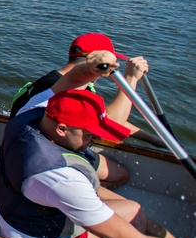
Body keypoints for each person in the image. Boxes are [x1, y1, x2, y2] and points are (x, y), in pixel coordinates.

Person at [0, 90, 196, 238]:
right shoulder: (61, 177)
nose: (95, 139)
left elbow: (73, 74)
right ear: (62, 129)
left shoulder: (29, 113)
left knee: (133, 210)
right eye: (90, 133)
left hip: (31, 216)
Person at [10, 33, 162, 186]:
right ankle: (80, 195)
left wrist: (157, 140)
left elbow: (103, 117)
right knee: (121, 175)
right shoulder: (68, 94)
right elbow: (111, 122)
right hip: (45, 154)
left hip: (26, 145)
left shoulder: (54, 80)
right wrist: (130, 79)